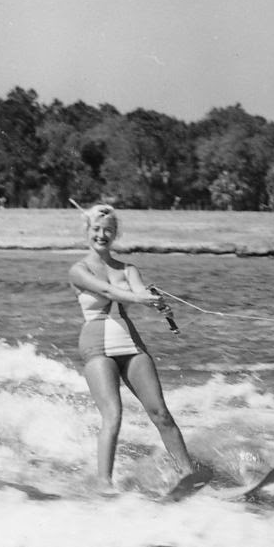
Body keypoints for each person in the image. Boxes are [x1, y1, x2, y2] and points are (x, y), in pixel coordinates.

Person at [68, 204, 200, 488]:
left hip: (130, 344)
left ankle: (189, 476)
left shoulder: (128, 268)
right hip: (96, 347)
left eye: (108, 231)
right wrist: (138, 298)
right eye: (96, 230)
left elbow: (139, 292)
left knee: (161, 413)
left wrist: (156, 302)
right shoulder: (78, 270)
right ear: (87, 232)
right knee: (113, 415)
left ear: (115, 234)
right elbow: (106, 291)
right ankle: (104, 484)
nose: (102, 235)